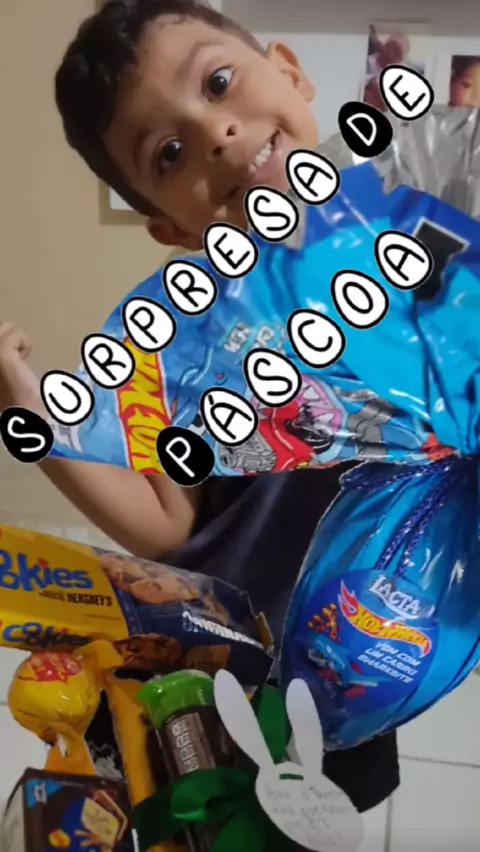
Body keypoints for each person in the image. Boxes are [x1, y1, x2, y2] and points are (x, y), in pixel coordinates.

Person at [0, 0, 399, 812]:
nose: (217, 133)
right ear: (169, 227)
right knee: (227, 814)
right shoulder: (165, 341)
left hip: (368, 643)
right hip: (229, 656)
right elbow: (165, 524)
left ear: (290, 73)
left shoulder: (414, 249)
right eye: (170, 152)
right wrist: (32, 416)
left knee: (337, 805)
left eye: (219, 82)